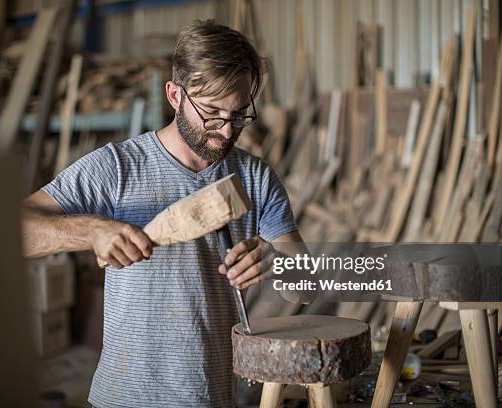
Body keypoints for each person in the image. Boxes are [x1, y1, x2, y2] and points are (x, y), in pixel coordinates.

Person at [22, 19, 302, 408]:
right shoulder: (115, 168)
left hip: (211, 396)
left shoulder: (254, 178)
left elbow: (307, 282)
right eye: (212, 113)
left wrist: (273, 261)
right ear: (174, 95)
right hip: (122, 398)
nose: (225, 130)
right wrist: (92, 232)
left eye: (238, 115)